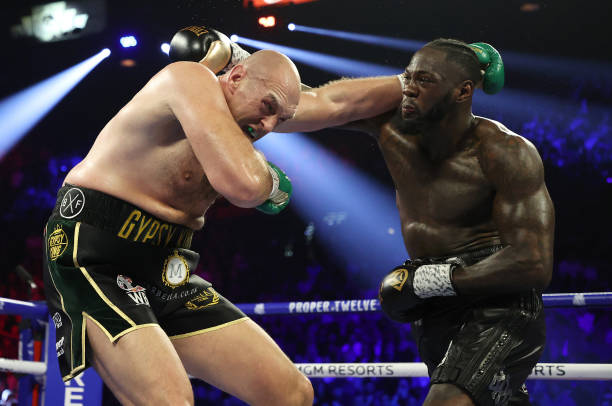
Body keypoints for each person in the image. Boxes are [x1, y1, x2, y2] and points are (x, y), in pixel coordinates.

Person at [43, 26, 402, 405]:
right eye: (268, 109)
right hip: (93, 254)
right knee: (170, 401)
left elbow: (334, 103)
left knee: (291, 394)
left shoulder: (261, 108)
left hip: (166, 268)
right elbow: (245, 185)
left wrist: (413, 81)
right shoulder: (188, 78)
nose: (269, 126)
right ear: (236, 76)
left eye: (281, 120)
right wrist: (272, 180)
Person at [278, 39, 555, 406]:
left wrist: (438, 280)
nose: (408, 88)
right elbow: (299, 105)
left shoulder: (505, 151)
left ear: (463, 91)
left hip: (498, 300)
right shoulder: (391, 128)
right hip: (435, 302)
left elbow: (533, 261)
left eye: (424, 80)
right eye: (407, 76)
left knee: (445, 400)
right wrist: (235, 62)